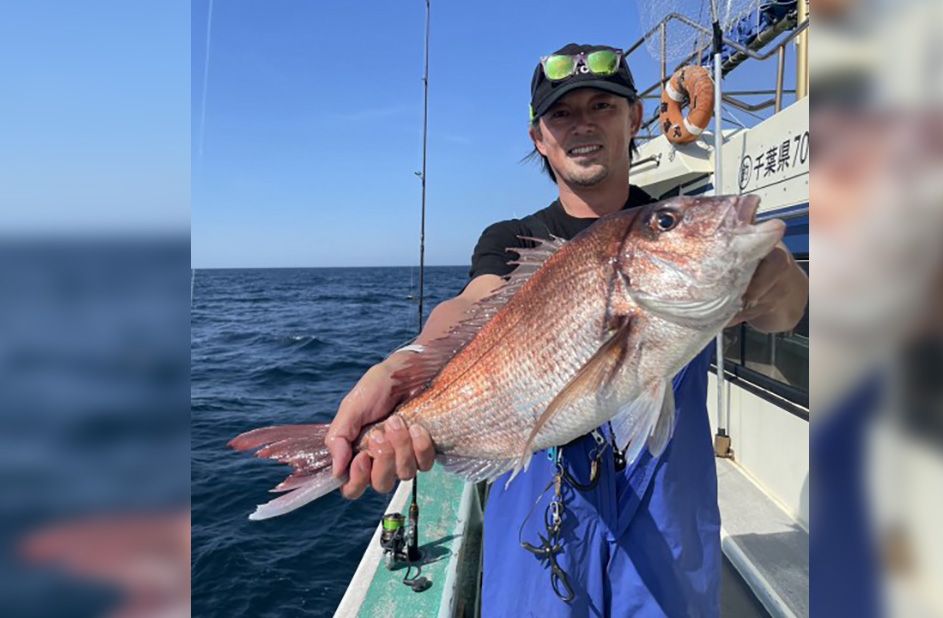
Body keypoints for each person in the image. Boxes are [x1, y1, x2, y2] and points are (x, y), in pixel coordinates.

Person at [325, 43, 808, 616]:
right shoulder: (512, 240)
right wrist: (399, 364)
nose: (582, 124)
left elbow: (784, 313)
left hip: (667, 515)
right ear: (539, 137)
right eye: (561, 113)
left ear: (634, 118)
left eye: (602, 105)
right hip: (539, 513)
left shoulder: (679, 228)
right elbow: (470, 305)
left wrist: (778, 280)